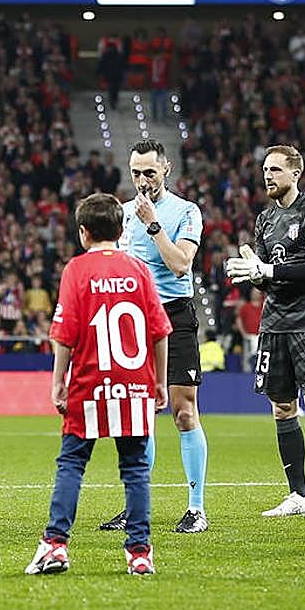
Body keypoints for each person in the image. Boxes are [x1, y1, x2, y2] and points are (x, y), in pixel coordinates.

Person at [25, 193, 171, 577]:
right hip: (135, 382)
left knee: (72, 462)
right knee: (136, 468)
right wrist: (159, 382)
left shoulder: (76, 269)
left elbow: (64, 333)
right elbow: (159, 331)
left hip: (90, 380)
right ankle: (140, 552)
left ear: (83, 233)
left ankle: (55, 545)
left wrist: (58, 380)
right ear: (123, 231)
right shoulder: (139, 269)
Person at [225, 144, 305, 519]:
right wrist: (254, 272)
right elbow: (267, 277)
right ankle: (299, 496)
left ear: (296, 173)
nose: (268, 176)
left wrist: (268, 272)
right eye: (265, 169)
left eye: (276, 170)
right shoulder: (265, 219)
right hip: (274, 325)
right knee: (282, 409)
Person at [100, 139, 210, 534]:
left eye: (149, 172)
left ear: (166, 170)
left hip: (175, 317)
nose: (143, 180)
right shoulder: (122, 214)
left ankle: (196, 508)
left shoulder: (185, 211)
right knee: (138, 416)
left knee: (183, 411)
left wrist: (153, 224)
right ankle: (135, 505)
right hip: (134, 321)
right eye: (136, 173)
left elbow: (181, 265)